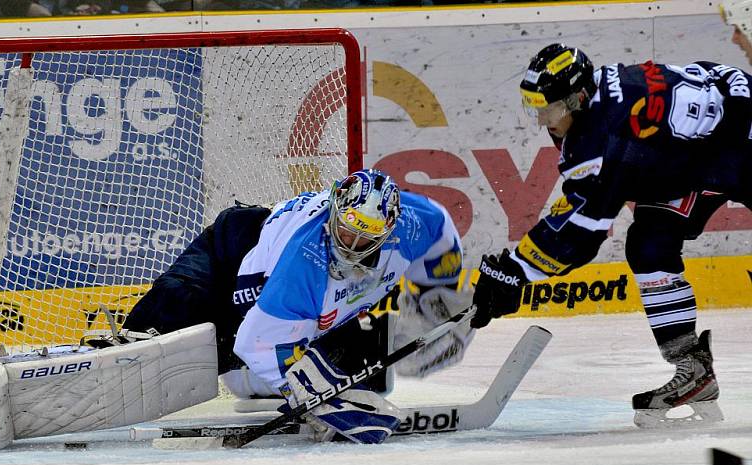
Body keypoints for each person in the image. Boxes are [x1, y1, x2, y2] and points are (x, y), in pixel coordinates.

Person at [470, 43, 752, 428]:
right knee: (650, 246)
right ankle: (693, 370)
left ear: (578, 97)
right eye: (536, 108)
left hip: (738, 147)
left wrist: (516, 272)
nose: (543, 120)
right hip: (701, 160)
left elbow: (581, 234)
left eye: (550, 109)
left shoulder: (602, 138)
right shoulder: (600, 98)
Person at [122, 169, 472, 444]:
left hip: (281, 304)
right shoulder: (307, 258)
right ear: (335, 211)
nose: (351, 245)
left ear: (389, 231)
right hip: (233, 254)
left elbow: (440, 226)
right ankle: (126, 345)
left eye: (366, 239)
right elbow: (254, 342)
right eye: (347, 231)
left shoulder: (413, 225)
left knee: (361, 371)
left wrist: (439, 287)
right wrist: (320, 400)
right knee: (183, 309)